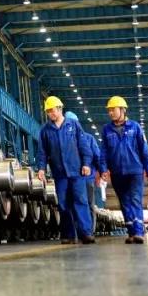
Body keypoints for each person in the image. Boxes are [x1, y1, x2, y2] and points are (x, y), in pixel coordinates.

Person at [36, 97, 94, 244]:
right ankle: (68, 235)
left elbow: (83, 145)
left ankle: (86, 233)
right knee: (63, 204)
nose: (50, 114)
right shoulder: (45, 130)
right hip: (60, 173)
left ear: (60, 109)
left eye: (52, 110)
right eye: (48, 111)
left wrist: (86, 164)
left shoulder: (73, 125)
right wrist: (41, 169)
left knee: (80, 201)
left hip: (76, 171)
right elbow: (42, 152)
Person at [100, 96, 148, 244]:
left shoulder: (135, 127)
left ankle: (139, 232)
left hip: (135, 170)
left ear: (123, 110)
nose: (110, 112)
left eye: (113, 109)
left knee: (135, 200)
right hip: (117, 172)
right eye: (109, 110)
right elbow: (104, 151)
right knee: (124, 202)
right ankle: (131, 232)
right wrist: (103, 169)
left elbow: (144, 148)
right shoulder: (106, 130)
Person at [68, 111, 101, 234]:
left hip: (87, 177)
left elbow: (97, 156)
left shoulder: (88, 138)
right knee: (74, 204)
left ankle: (89, 232)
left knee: (88, 204)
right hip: (71, 177)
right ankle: (77, 231)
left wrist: (102, 171)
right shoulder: (64, 140)